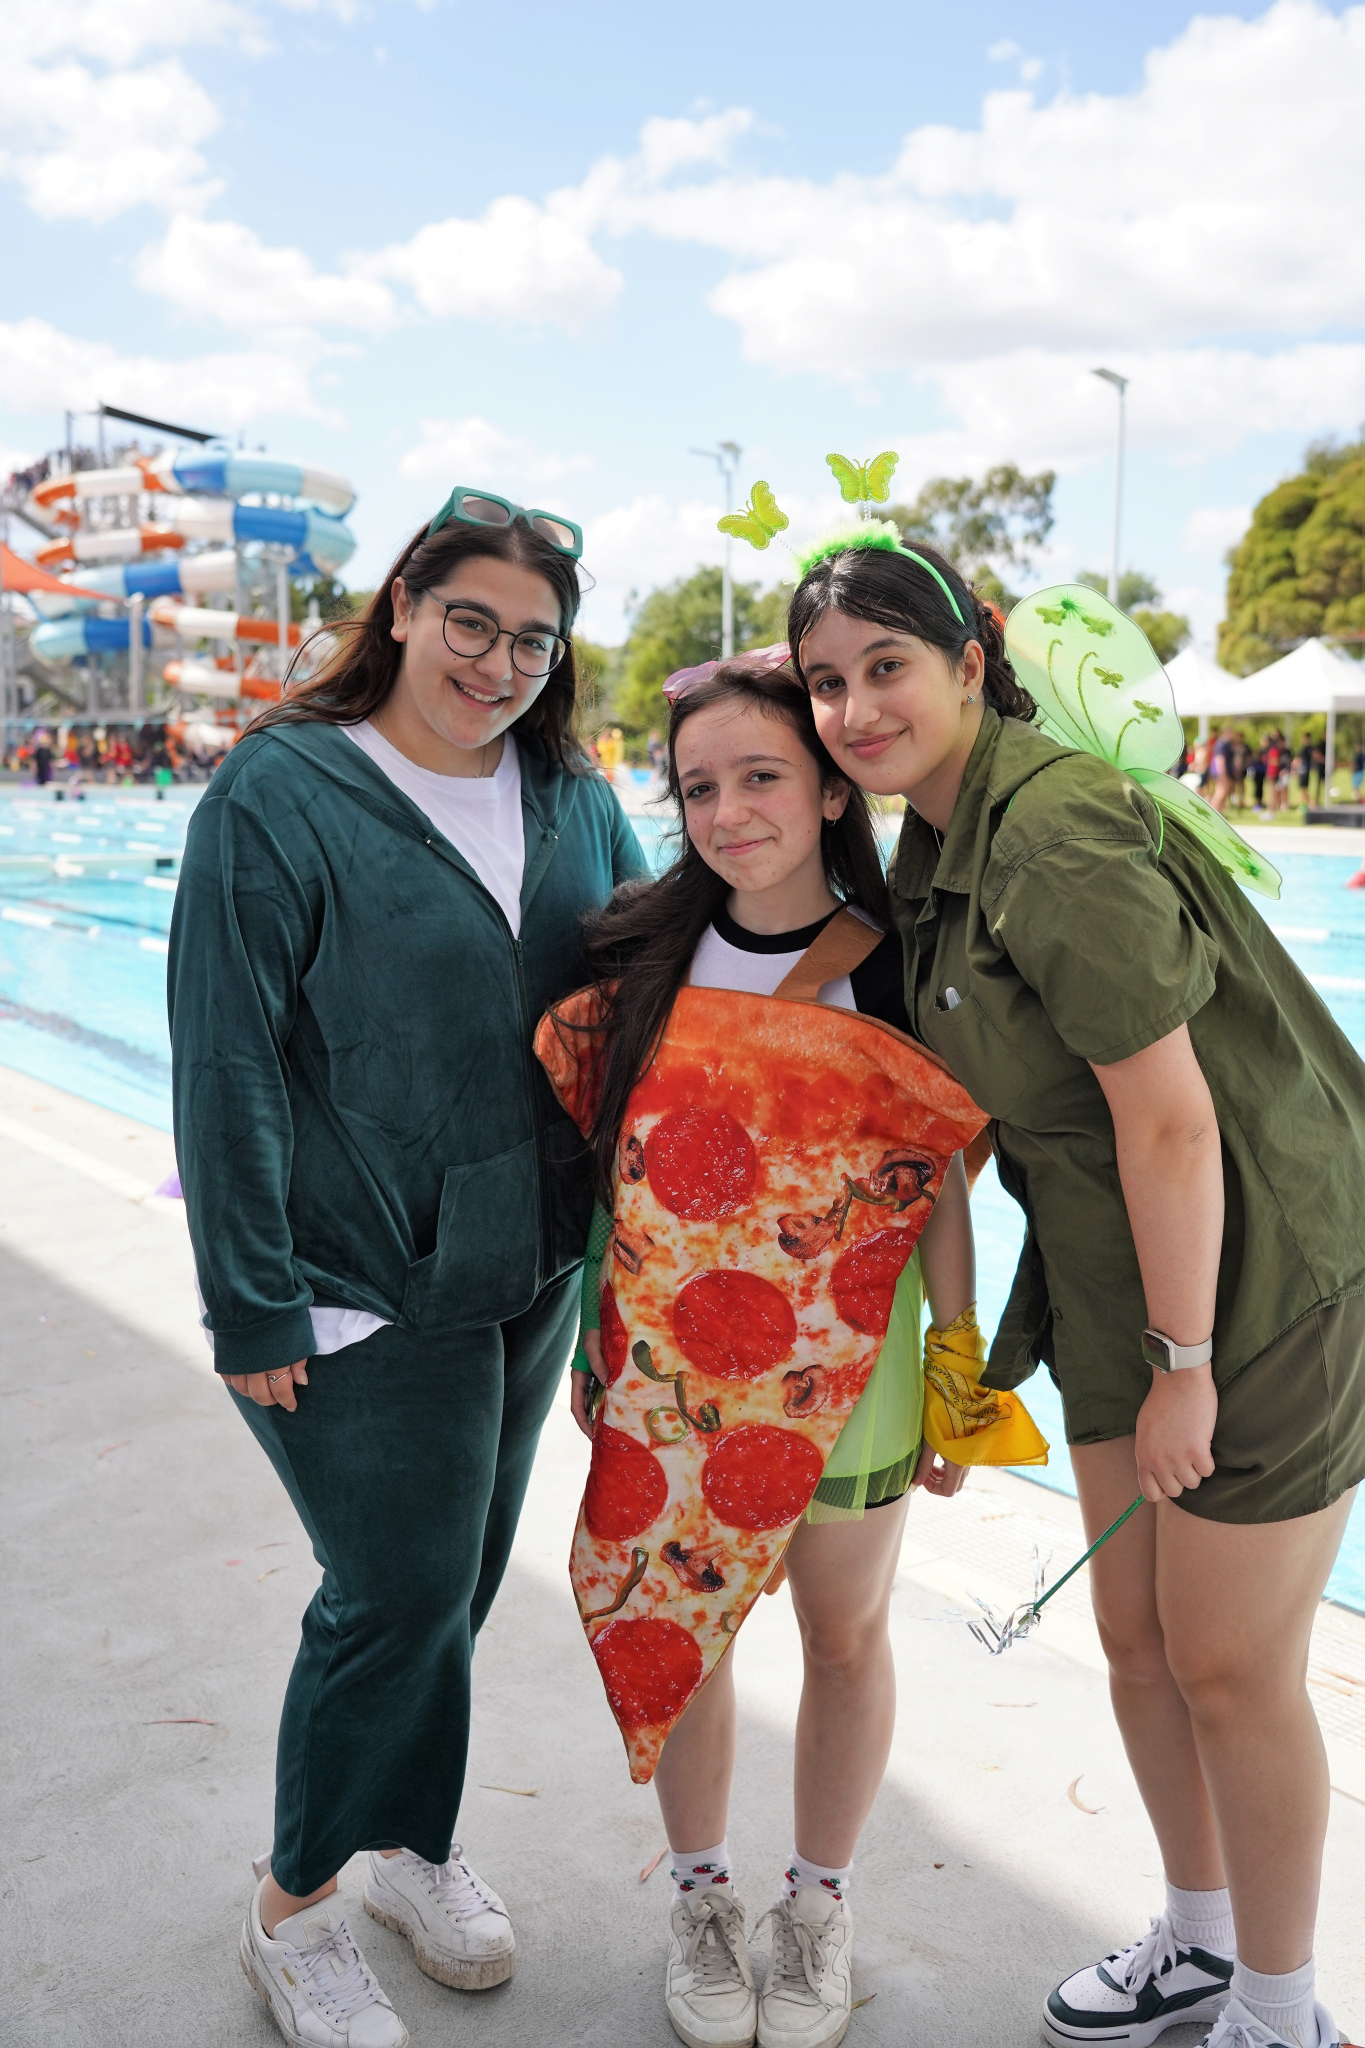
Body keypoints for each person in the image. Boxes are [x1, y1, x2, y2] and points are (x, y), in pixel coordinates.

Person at [786, 529, 1364, 2048]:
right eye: (825, 683)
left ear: (971, 663)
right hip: (1124, 1277)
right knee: (1138, 1642)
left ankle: (1282, 2013)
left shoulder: (1049, 831)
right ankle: (1201, 1944)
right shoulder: (934, 845)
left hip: (1257, 1282)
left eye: (886, 667)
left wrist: (1187, 1364)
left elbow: (1171, 1123)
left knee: (1229, 1666)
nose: (854, 708)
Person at [169, 487, 645, 2048]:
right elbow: (226, 1059)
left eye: (533, 642)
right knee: (394, 1594)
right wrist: (252, 1297)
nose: (497, 665)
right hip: (352, 1278)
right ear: (402, 606)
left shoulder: (568, 790)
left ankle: (410, 1848)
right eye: (470, 623)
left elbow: (655, 965)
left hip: (525, 1269)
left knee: (454, 1589)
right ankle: (292, 1910)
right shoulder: (279, 792)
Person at [537, 654, 1041, 2048]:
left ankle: (816, 1907)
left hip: (851, 1380)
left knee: (843, 1636)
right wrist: (591, 1339)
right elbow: (612, 1178)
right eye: (699, 786)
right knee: (682, 1633)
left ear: (829, 790)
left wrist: (956, 1367)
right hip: (671, 1376)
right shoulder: (645, 963)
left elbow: (937, 1183)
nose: (728, 811)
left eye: (760, 776)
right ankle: (701, 1900)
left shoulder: (893, 967)